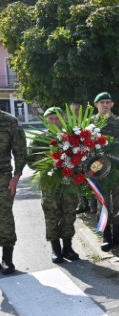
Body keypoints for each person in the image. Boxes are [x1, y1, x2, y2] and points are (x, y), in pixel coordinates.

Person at [30, 108, 81, 264]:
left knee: (69, 214)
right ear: (45, 120)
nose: (54, 121)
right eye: (50, 118)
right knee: (52, 215)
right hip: (50, 184)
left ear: (63, 119)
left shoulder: (71, 137)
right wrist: (47, 164)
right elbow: (30, 160)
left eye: (57, 118)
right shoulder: (40, 139)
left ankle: (68, 247)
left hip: (69, 182)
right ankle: (55, 249)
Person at [90, 92, 119, 251]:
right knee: (102, 202)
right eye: (101, 102)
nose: (104, 105)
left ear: (112, 104)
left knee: (118, 201)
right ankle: (106, 236)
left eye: (107, 102)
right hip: (99, 169)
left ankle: (117, 234)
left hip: (118, 169)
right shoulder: (90, 124)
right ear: (96, 104)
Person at [0, 109, 27, 274]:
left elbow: (20, 151)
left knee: (4, 217)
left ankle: (7, 259)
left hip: (2, 177)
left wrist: (16, 177)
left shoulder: (9, 121)